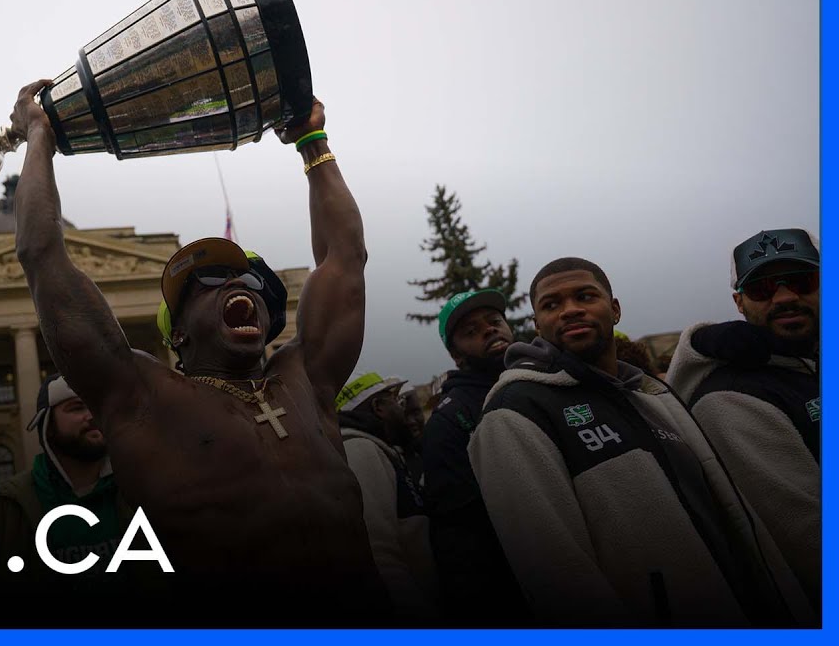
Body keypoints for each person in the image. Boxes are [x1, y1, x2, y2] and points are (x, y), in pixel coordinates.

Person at [10, 80, 385, 624]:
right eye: (209, 278)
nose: (241, 285)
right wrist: (39, 137)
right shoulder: (141, 399)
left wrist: (313, 141)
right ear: (177, 334)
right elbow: (41, 254)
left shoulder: (307, 379)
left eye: (253, 281)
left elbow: (345, 256)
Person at [467, 259, 815, 626]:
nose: (571, 310)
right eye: (552, 305)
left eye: (585, 296)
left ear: (615, 310)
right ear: (538, 326)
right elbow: (555, 577)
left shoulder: (653, 394)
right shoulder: (517, 411)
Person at [667, 228, 820, 611]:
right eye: (762, 289)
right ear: (739, 303)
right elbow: (809, 539)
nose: (785, 297)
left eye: (802, 281)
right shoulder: (730, 396)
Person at [418, 289, 527, 626]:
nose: (489, 330)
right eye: (471, 331)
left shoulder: (536, 384)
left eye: (494, 321)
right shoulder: (451, 420)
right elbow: (461, 534)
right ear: (456, 356)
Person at [0, 374, 126, 574]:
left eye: (95, 405)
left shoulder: (141, 490)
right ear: (47, 426)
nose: (92, 415)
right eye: (77, 407)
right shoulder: (5, 510)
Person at [335, 373, 437, 619]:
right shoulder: (360, 449)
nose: (402, 412)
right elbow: (382, 559)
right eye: (395, 402)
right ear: (379, 407)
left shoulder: (380, 449)